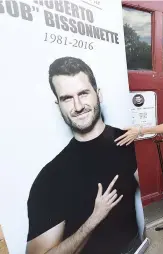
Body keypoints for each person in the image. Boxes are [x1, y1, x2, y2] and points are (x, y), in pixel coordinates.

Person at [26, 57, 142, 254]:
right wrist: (93, 220)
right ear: (58, 105)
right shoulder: (50, 177)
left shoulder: (128, 142)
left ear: (99, 94)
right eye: (67, 98)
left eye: (83, 93)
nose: (78, 106)